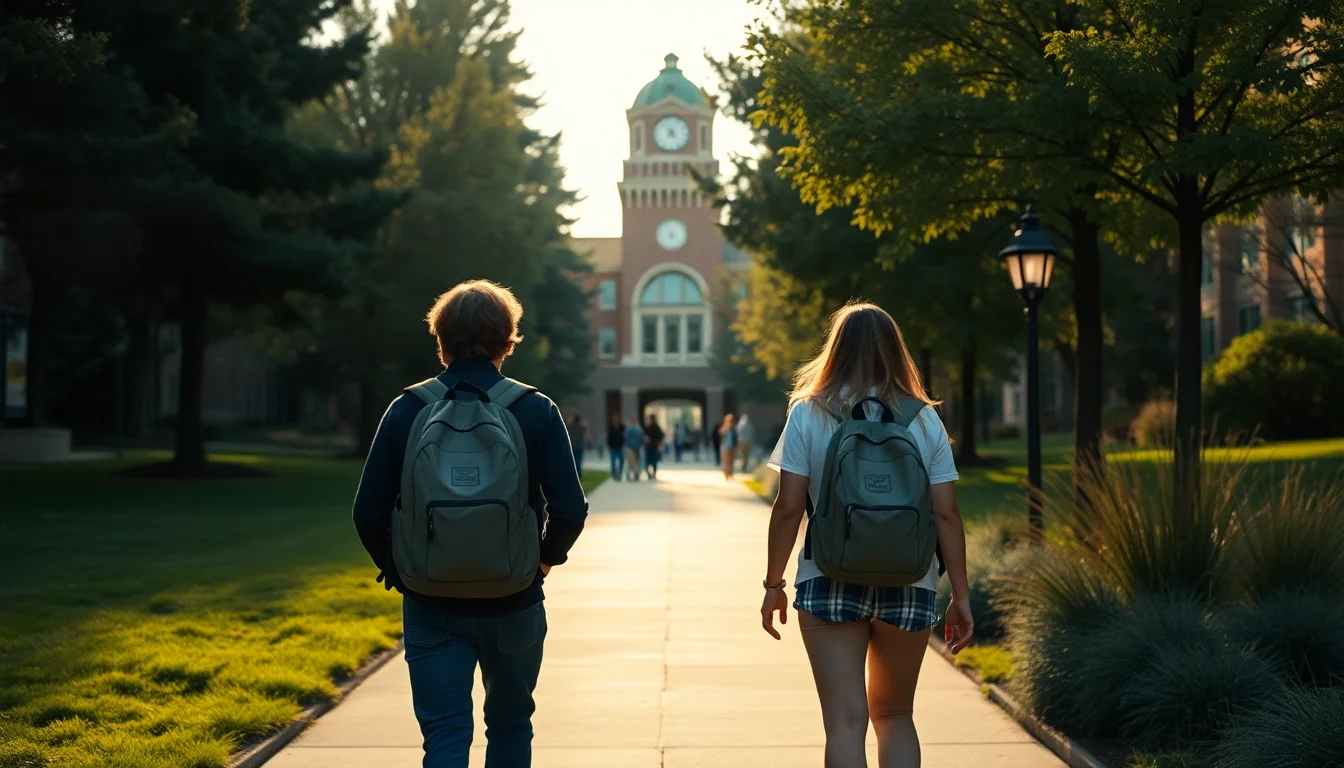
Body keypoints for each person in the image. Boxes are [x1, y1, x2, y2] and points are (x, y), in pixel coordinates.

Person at [352, 280, 589, 768]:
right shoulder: (535, 410)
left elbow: (368, 512)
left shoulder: (407, 409)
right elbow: (571, 508)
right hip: (514, 599)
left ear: (441, 341)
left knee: (444, 734)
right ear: (508, 341)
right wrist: (542, 562)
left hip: (431, 600)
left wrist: (401, 569)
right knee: (509, 727)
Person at [760, 301, 973, 768]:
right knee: (895, 714)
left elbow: (789, 507)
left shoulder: (808, 412)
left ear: (835, 350)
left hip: (828, 576)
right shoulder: (923, 419)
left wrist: (774, 585)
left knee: (845, 722)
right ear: (896, 352)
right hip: (909, 579)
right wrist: (959, 593)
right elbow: (947, 514)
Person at [623, 416, 645, 482]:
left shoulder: (628, 429)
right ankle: (636, 475)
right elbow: (642, 438)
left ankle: (628, 475)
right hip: (637, 447)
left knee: (630, 462)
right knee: (637, 462)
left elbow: (625, 437)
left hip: (629, 447)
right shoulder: (639, 429)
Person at [643, 414, 665, 480]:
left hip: (652, 446)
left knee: (651, 461)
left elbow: (661, 435)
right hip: (650, 446)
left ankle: (651, 474)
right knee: (652, 461)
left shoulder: (653, 427)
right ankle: (651, 474)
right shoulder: (649, 427)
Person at [606, 414, 626, 481]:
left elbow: (625, 435)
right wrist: (609, 445)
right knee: (613, 461)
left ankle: (619, 473)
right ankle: (614, 475)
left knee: (621, 461)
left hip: (620, 446)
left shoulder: (622, 427)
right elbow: (609, 437)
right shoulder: (611, 427)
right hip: (613, 447)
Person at [719, 414, 737, 480]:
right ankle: (726, 474)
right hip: (725, 447)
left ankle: (731, 474)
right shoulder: (724, 428)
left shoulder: (734, 429)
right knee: (726, 461)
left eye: (731, 420)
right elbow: (720, 435)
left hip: (732, 447)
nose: (730, 422)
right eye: (729, 420)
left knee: (731, 461)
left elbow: (736, 438)